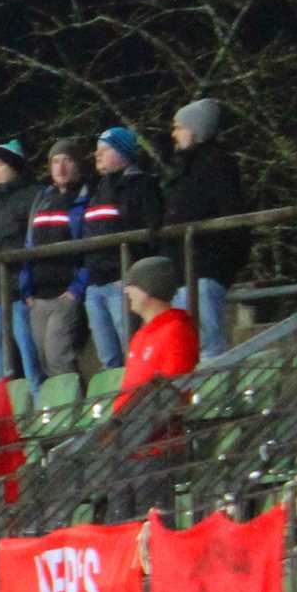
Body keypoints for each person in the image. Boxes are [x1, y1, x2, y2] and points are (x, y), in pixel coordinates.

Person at [166, 98, 244, 357]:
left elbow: (232, 217)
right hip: (184, 270)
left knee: (209, 347)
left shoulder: (216, 165)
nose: (174, 134)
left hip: (205, 268)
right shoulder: (185, 167)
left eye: (179, 127)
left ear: (196, 129)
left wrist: (221, 261)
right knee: (187, 349)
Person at [83, 129, 166, 368]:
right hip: (96, 283)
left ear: (123, 152)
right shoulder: (98, 190)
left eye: (105, 149)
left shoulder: (142, 186)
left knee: (134, 352)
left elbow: (151, 233)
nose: (97, 155)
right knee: (109, 360)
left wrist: (137, 276)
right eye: (97, 150)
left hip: (123, 281)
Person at [16, 142, 92, 389]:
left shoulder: (85, 198)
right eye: (55, 161)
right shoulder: (43, 199)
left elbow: (89, 246)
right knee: (45, 361)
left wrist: (76, 289)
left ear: (78, 164)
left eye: (67, 160)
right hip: (39, 295)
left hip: (65, 293)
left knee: (59, 356)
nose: (60, 167)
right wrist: (26, 289)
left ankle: (76, 405)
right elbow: (29, 245)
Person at [0, 138, 42, 385]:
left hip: (19, 295)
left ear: (14, 166)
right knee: (4, 374)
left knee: (31, 363)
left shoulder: (33, 197)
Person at [114, 256, 200, 409]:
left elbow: (172, 392)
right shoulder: (141, 334)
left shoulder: (176, 331)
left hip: (151, 422)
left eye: (132, 285)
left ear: (149, 289)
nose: (126, 291)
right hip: (127, 422)